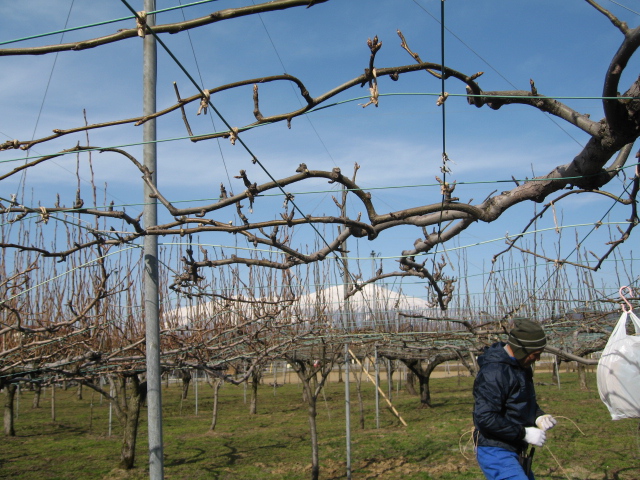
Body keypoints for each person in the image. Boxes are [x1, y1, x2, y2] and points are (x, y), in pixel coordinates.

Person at [473, 319, 557, 480]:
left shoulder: (520, 368)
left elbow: (520, 401)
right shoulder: (494, 372)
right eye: (536, 354)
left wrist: (538, 416)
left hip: (513, 446)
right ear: (522, 350)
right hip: (495, 449)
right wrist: (524, 433)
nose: (537, 359)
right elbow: (485, 417)